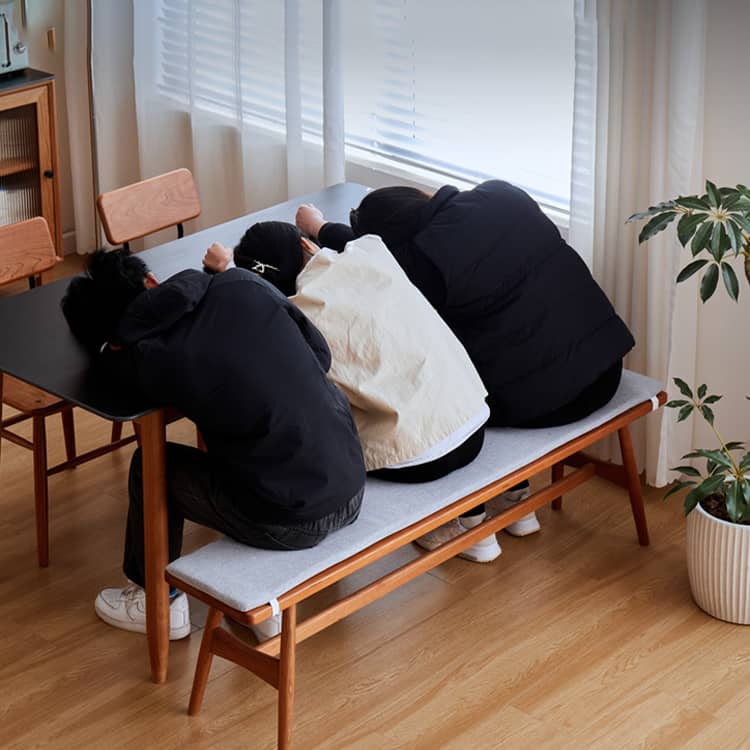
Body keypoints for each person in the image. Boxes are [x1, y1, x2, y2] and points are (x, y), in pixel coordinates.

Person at [296, 181, 635, 547]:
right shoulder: (503, 195)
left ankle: (466, 517)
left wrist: (321, 231)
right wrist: (325, 228)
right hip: (606, 364)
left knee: (438, 400)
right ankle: (516, 502)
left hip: (548, 401)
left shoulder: (422, 262)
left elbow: (377, 265)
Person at [61, 248, 366, 640]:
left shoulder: (151, 360)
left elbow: (112, 374)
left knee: (152, 466)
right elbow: (320, 356)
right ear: (150, 280)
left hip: (294, 520)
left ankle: (157, 600)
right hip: (350, 479)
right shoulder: (240, 283)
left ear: (113, 338)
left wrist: (114, 347)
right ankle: (253, 584)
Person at [203, 221, 502, 563]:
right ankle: (469, 520)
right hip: (472, 417)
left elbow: (250, 304)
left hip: (416, 459)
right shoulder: (370, 254)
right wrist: (317, 226)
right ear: (306, 246)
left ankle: (437, 523)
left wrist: (226, 271)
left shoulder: (291, 315)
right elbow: (349, 236)